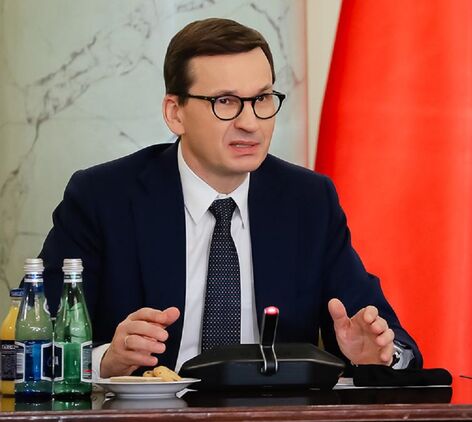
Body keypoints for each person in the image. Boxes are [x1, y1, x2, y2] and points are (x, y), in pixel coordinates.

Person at [37, 18, 421, 378]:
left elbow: (395, 344)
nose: (250, 123)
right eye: (225, 101)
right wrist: (105, 360)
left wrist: (379, 357)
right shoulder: (103, 198)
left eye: (262, 98)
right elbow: (36, 347)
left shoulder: (308, 201)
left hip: (271, 414)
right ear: (175, 113)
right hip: (150, 414)